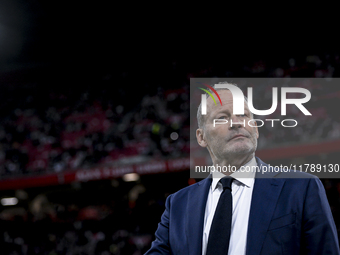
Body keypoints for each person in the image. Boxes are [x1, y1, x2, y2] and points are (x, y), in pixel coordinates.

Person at [145, 84, 340, 255]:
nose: (237, 122)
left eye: (244, 115)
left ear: (255, 128)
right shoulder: (178, 204)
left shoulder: (301, 188)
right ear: (201, 137)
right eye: (222, 117)